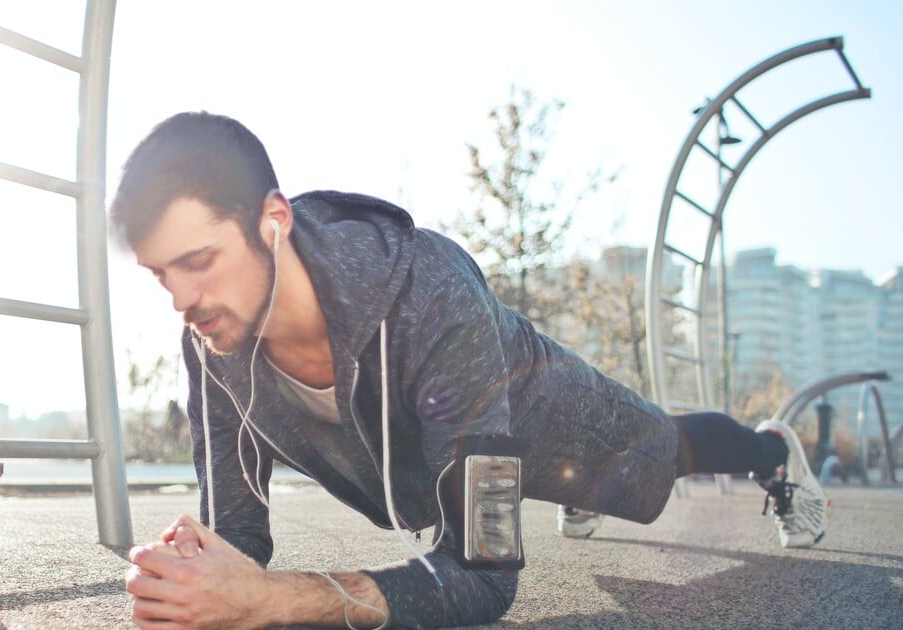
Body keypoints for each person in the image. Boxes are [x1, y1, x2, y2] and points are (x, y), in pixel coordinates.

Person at [114, 111, 828, 629]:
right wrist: (199, 572)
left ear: (275, 220)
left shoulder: (432, 294)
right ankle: (545, 487)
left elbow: (484, 576)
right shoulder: (213, 340)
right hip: (460, 457)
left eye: (199, 261)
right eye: (160, 275)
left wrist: (272, 601)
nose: (181, 300)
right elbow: (241, 534)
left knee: (664, 455)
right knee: (504, 489)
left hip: (551, 417)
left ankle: (773, 450)